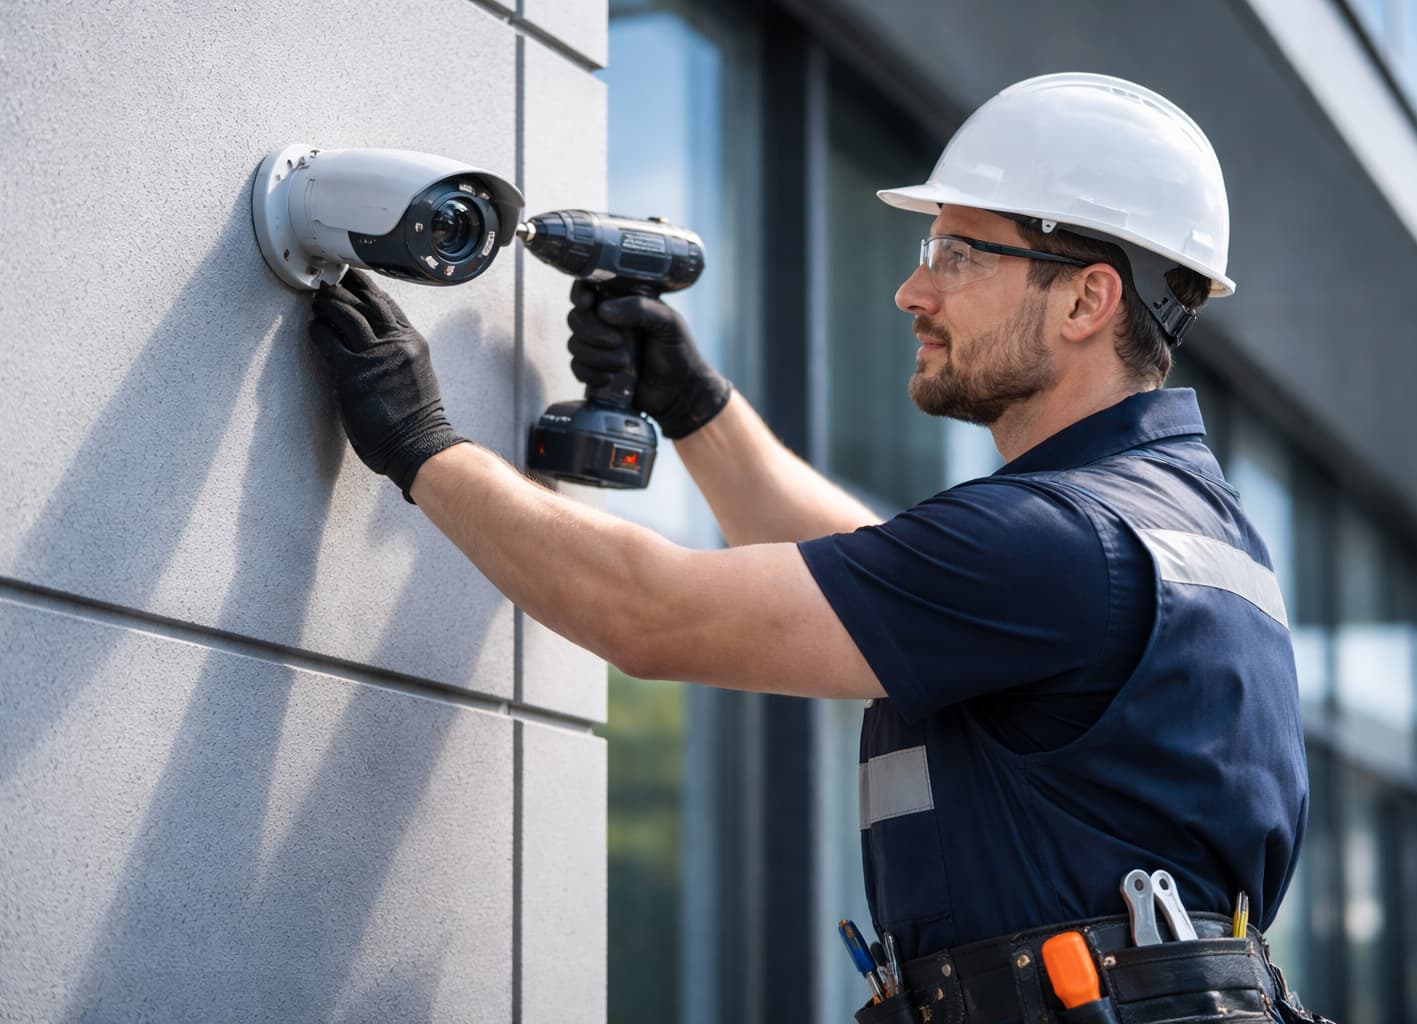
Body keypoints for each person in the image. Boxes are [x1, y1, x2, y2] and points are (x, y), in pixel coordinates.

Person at [308, 73, 1327, 1024]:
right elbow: (882, 579)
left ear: (1086, 300)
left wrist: (423, 446)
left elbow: (651, 614)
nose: (913, 293)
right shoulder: (1173, 522)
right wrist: (695, 406)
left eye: (959, 254)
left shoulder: (1063, 541)